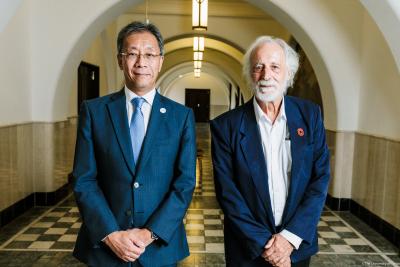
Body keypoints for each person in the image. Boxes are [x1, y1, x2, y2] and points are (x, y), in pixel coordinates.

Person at [72, 21, 196, 267]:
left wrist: (149, 233)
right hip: (105, 248)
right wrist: (111, 234)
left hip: (159, 248)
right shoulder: (94, 112)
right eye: (132, 54)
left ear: (160, 61)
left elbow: (184, 184)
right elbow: (84, 179)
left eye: (150, 54)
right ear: (120, 60)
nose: (141, 62)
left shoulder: (181, 117)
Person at [210, 36, 330, 267]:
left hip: (295, 246)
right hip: (248, 249)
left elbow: (319, 179)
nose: (266, 76)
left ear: (289, 73)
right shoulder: (226, 126)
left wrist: (288, 240)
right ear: (249, 73)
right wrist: (267, 246)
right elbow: (228, 193)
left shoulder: (310, 115)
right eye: (258, 67)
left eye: (275, 67)